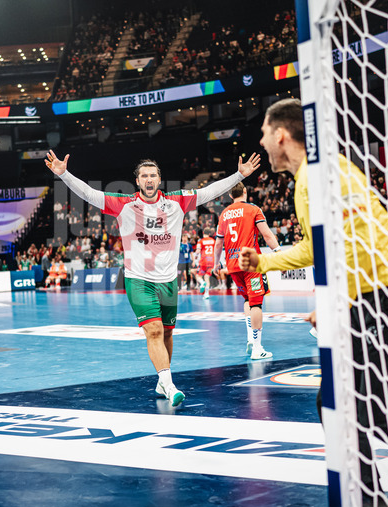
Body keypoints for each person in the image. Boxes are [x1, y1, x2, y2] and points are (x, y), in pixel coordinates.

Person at [237, 98, 388, 507]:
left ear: (281, 135)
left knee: (382, 409)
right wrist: (265, 260)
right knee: (343, 401)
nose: (261, 143)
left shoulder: (318, 177)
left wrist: (336, 301)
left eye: (263, 134)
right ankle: (375, 502)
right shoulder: (311, 177)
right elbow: (321, 248)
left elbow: (358, 247)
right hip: (375, 298)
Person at [46, 150, 260, 407]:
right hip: (138, 279)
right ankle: (169, 386)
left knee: (168, 333)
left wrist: (239, 175)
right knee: (154, 330)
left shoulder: (177, 202)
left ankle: (162, 379)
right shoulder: (123, 204)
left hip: (168, 281)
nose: (149, 179)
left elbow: (209, 192)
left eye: (153, 175)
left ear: (159, 179)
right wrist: (64, 174)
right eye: (144, 176)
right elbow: (90, 195)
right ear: (137, 181)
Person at [214, 182, 280, 360]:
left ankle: (250, 338)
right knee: (256, 303)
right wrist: (279, 252)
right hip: (251, 263)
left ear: (230, 195)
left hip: (233, 264)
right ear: (245, 190)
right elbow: (267, 235)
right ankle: (258, 348)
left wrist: (216, 264)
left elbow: (219, 242)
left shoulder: (224, 214)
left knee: (247, 299)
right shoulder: (253, 209)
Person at [195, 227, 216, 299]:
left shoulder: (201, 241)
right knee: (207, 277)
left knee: (198, 276)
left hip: (203, 261)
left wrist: (196, 256)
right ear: (209, 234)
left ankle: (201, 282)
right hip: (211, 261)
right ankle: (206, 294)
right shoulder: (213, 241)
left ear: (203, 233)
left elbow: (198, 251)